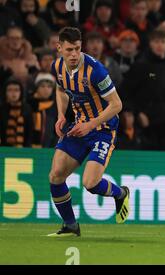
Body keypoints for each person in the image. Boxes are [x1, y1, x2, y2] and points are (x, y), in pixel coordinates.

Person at [47, 27, 129, 237]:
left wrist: (91, 124)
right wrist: (61, 115)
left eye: (77, 49)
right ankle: (70, 225)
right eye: (69, 50)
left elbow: (117, 105)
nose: (74, 54)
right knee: (56, 175)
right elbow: (60, 89)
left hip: (102, 129)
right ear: (59, 48)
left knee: (90, 184)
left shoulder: (96, 70)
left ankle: (120, 193)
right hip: (79, 127)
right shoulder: (57, 67)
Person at [0, 77, 33, 147]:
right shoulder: (2, 109)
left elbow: (29, 133)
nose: (13, 93)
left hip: (23, 149)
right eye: (10, 90)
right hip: (4, 149)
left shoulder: (27, 109)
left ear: (21, 92)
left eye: (16, 90)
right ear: (5, 92)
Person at [28, 72, 58, 148]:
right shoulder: (29, 105)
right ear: (36, 88)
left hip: (48, 149)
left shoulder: (56, 107)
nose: (46, 89)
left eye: (49, 87)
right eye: (42, 86)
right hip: (27, 149)